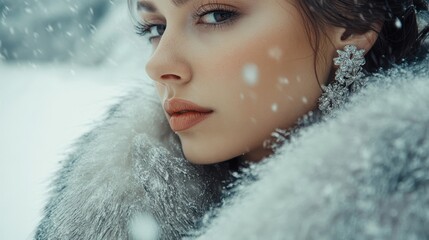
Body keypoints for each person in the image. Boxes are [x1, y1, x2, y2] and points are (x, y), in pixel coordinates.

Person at [35, 0, 429, 239]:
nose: (158, 64)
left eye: (217, 14)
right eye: (155, 27)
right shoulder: (112, 203)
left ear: (355, 23)